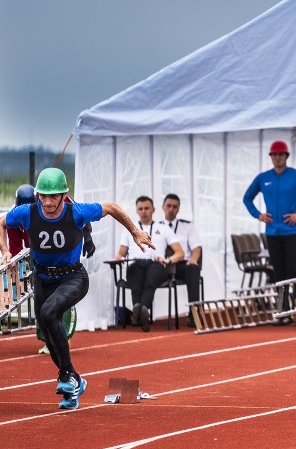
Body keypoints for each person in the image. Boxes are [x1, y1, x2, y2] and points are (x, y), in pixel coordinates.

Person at [0, 167, 154, 410]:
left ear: (64, 196)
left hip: (73, 278)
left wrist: (135, 232)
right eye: (44, 196)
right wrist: (5, 250)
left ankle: (66, 376)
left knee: (49, 313)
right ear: (37, 195)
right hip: (42, 279)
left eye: (54, 196)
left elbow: (112, 207)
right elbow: (1, 223)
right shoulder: (27, 213)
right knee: (49, 340)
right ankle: (74, 382)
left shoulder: (77, 212)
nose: (48, 202)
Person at [243, 140, 296, 326]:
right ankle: (284, 313)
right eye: (274, 155)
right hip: (272, 234)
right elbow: (247, 198)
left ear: (286, 156)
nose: (277, 157)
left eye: (281, 154)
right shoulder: (263, 178)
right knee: (280, 274)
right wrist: (258, 215)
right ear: (271, 157)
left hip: (292, 233)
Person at [115, 196, 184, 332]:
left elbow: (180, 253)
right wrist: (117, 258)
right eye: (140, 209)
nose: (144, 211)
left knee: (151, 278)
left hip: (156, 263)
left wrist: (168, 260)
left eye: (146, 208)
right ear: (136, 211)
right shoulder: (130, 229)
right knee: (135, 273)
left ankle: (140, 309)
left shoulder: (163, 228)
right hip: (135, 262)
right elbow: (120, 254)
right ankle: (142, 309)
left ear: (153, 210)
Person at [159, 193, 203, 327]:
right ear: (163, 207)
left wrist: (194, 259)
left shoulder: (187, 226)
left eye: (174, 207)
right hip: (162, 266)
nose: (171, 209)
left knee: (193, 269)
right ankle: (140, 313)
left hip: (182, 265)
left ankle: (194, 313)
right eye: (168, 206)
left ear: (178, 209)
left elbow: (196, 247)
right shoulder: (156, 227)